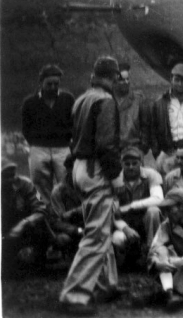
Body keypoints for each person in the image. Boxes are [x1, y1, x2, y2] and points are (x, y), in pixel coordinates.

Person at [58, 56, 122, 315]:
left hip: (79, 167)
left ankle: (106, 284)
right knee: (96, 234)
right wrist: (116, 176)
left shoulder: (82, 99)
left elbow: (73, 140)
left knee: (100, 227)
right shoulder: (105, 100)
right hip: (96, 168)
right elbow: (106, 145)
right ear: (113, 77)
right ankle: (73, 294)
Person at [21, 63, 75, 203]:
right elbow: (25, 128)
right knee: (39, 186)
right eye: (49, 84)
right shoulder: (29, 103)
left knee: (67, 183)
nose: (52, 87)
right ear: (41, 83)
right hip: (39, 149)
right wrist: (36, 143)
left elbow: (74, 123)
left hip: (62, 149)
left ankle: (65, 214)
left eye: (56, 84)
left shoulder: (68, 99)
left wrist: (68, 140)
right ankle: (44, 212)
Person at [111, 146, 164, 268]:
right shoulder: (115, 180)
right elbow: (113, 211)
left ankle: (153, 254)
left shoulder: (151, 174)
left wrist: (131, 206)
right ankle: (129, 260)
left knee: (154, 211)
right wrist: (125, 229)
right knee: (118, 240)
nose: (131, 167)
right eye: (127, 163)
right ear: (121, 163)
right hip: (125, 222)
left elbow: (158, 198)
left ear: (140, 163)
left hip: (146, 221)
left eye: (134, 163)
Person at [2, 159, 49, 275]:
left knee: (41, 224)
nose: (10, 179)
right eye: (5, 176)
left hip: (25, 227)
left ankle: (38, 262)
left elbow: (41, 207)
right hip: (5, 229)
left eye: (12, 175)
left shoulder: (27, 184)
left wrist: (24, 223)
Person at [114, 62, 151, 156]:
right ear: (114, 81)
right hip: (112, 152)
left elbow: (146, 126)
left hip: (134, 149)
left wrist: (143, 149)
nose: (126, 82)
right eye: (122, 80)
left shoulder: (138, 99)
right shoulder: (108, 99)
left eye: (128, 79)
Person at [49, 169, 85, 259]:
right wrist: (76, 230)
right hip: (70, 229)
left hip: (88, 225)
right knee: (63, 239)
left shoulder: (87, 185)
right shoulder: (58, 191)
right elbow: (56, 221)